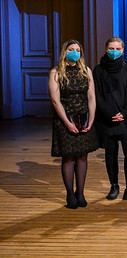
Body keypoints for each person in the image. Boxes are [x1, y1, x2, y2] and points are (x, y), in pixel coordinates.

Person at [93, 36, 127, 201]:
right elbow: (97, 95)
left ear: (123, 50)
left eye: (117, 48)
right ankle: (114, 186)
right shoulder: (98, 70)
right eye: (111, 48)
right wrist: (109, 113)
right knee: (111, 154)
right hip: (107, 119)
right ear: (105, 49)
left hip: (126, 117)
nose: (114, 51)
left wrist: (124, 113)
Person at [49, 40, 99, 209]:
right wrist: (67, 123)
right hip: (65, 118)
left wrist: (92, 119)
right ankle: (70, 194)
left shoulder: (86, 71)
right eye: (71, 50)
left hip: (83, 117)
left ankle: (81, 193)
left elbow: (91, 97)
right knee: (69, 156)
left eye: (78, 50)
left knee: (83, 156)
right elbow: (56, 101)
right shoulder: (56, 72)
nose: (75, 53)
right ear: (65, 52)